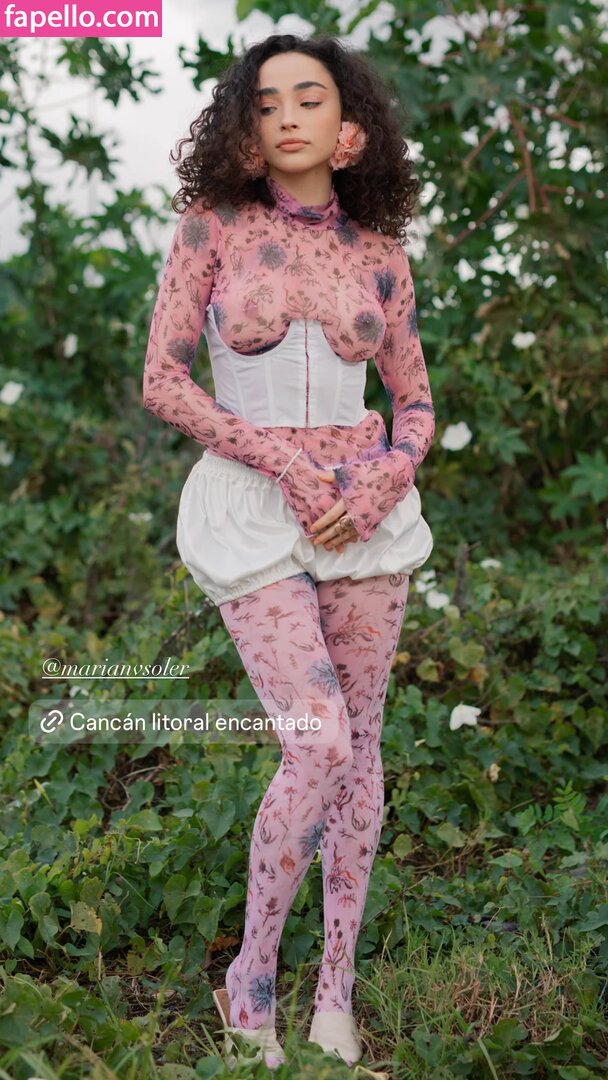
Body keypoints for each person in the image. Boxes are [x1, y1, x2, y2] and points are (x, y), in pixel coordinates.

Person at [143, 31, 435, 1069]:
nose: (287, 117)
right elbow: (163, 380)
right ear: (244, 126)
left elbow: (414, 400)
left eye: (309, 98)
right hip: (255, 504)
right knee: (316, 744)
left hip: (363, 516)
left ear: (350, 124)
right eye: (265, 103)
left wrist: (386, 476)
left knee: (362, 755)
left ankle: (335, 995)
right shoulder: (211, 226)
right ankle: (250, 988)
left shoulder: (379, 249)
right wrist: (285, 464)